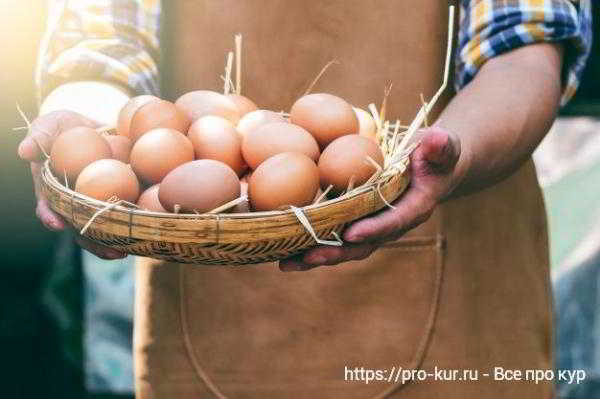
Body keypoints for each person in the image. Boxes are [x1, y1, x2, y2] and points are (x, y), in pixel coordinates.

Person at [20, 0, 591, 397]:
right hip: (218, 302)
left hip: (463, 282)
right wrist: (86, 135)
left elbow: (524, 48)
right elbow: (100, 43)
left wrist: (449, 156)